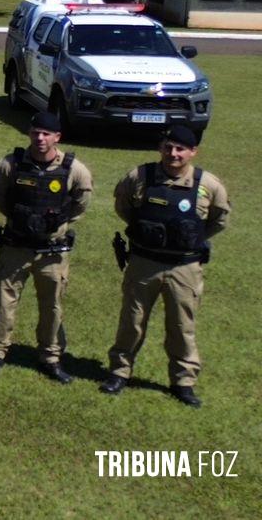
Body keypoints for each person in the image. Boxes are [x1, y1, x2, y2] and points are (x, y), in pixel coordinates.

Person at [101, 125, 230, 408]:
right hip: (143, 262)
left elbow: (219, 219)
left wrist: (193, 239)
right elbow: (123, 205)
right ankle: (119, 372)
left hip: (184, 268)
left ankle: (183, 382)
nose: (173, 154)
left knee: (182, 326)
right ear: (161, 148)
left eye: (181, 149)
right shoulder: (140, 177)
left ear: (193, 152)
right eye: (168, 147)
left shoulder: (208, 184)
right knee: (132, 321)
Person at [0, 112, 94, 382]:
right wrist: (17, 217)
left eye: (46, 134)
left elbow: (81, 201)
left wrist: (58, 224)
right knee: (4, 302)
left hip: (52, 253)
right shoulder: (12, 163)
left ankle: (50, 357)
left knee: (52, 305)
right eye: (35, 132)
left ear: (57, 137)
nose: (40, 138)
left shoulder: (74, 169)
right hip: (16, 246)